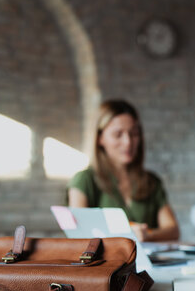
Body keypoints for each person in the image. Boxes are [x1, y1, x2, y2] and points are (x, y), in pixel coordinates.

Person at [68, 99, 179, 242]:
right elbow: (78, 235)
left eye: (134, 133)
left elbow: (173, 230)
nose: (128, 142)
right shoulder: (84, 180)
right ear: (100, 139)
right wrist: (125, 236)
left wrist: (147, 235)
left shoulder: (151, 182)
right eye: (118, 134)